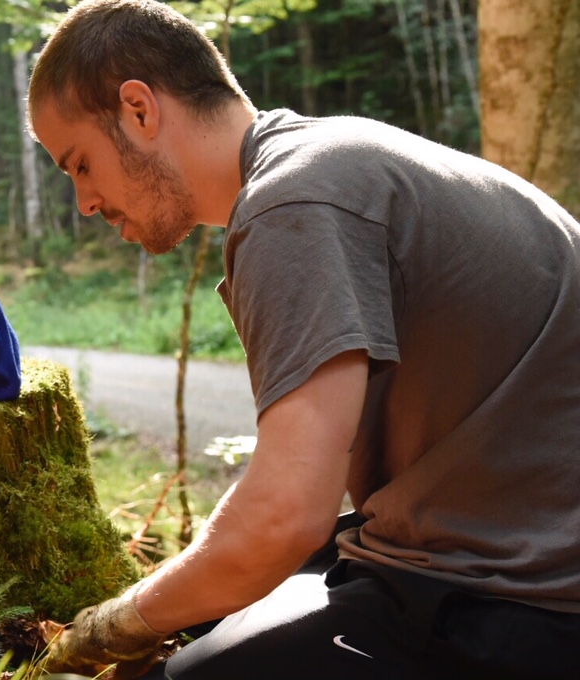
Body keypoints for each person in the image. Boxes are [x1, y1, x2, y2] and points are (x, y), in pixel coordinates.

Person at [28, 1, 580, 678]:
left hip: (524, 600)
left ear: (139, 110)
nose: (84, 202)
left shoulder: (295, 200)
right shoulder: (326, 160)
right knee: (211, 617)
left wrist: (109, 626)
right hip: (499, 551)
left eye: (80, 164)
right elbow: (288, 496)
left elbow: (285, 518)